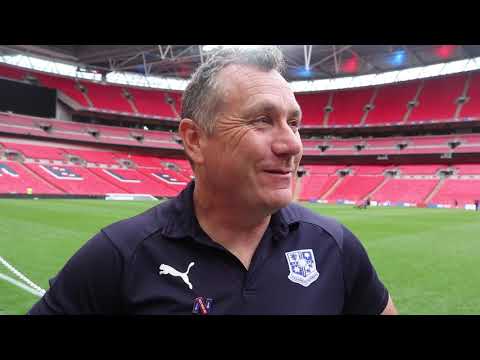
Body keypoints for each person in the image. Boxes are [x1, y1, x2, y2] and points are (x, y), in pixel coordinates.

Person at [28, 46, 397, 315]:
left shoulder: (335, 246)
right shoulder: (119, 255)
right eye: (262, 120)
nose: (291, 144)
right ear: (195, 140)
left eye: (294, 122)